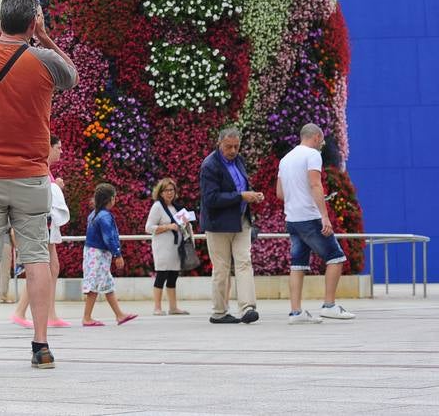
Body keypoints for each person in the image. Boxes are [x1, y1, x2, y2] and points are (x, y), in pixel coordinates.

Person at [0, 0, 77, 370]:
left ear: (3, 18)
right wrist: (45, 37)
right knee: (37, 256)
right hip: (30, 176)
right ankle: (40, 346)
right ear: (33, 22)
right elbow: (70, 76)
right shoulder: (44, 61)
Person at [277, 123, 356, 323]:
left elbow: (280, 193)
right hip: (309, 218)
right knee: (336, 258)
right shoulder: (312, 155)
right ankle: (329, 305)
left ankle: (296, 312)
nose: (321, 144)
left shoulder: (286, 159)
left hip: (292, 218)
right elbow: (315, 184)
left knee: (298, 264)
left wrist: (298, 198)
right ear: (316, 137)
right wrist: (325, 216)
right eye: (321, 141)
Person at [199, 126, 263, 326]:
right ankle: (219, 312)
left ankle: (247, 308)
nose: (233, 151)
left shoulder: (239, 161)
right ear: (219, 144)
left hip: (241, 220)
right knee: (221, 269)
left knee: (244, 263)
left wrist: (252, 195)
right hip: (218, 224)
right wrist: (241, 196)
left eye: (236, 146)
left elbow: (240, 187)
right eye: (229, 147)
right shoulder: (209, 165)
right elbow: (210, 198)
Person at [12, 135, 70, 328]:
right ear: (49, 148)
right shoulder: (40, 169)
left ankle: (50, 314)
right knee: (43, 268)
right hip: (41, 225)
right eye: (58, 147)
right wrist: (55, 187)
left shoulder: (46, 170)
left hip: (47, 225)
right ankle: (21, 311)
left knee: (53, 267)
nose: (61, 151)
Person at [80, 183, 137, 326]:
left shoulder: (94, 214)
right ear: (110, 199)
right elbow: (109, 237)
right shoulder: (105, 216)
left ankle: (119, 315)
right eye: (114, 197)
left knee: (107, 284)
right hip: (98, 254)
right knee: (94, 284)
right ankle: (87, 317)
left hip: (92, 253)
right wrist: (117, 254)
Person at [146, 177, 192, 316]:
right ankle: (157, 307)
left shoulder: (177, 207)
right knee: (161, 275)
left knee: (173, 276)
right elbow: (148, 228)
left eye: (172, 190)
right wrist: (168, 227)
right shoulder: (157, 206)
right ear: (160, 192)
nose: (170, 193)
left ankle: (173, 307)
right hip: (162, 247)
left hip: (176, 247)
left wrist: (187, 225)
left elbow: (184, 227)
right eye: (166, 190)